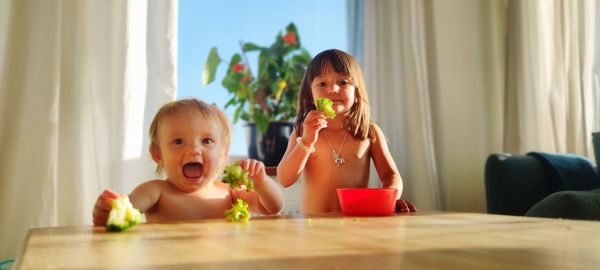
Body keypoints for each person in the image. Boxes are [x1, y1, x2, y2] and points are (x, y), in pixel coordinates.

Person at [93, 98, 284, 225]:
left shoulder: (230, 193)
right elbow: (127, 210)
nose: (194, 150)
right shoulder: (156, 191)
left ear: (223, 154)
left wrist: (262, 183)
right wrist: (111, 211)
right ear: (158, 155)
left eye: (206, 141)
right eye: (178, 141)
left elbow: (273, 207)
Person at [277, 49, 416, 214]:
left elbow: (391, 176)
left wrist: (390, 198)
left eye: (343, 82)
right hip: (313, 226)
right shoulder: (302, 131)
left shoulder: (368, 132)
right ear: (310, 94)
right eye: (322, 84)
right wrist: (307, 141)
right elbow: (285, 179)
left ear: (357, 92)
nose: (333, 89)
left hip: (355, 225)